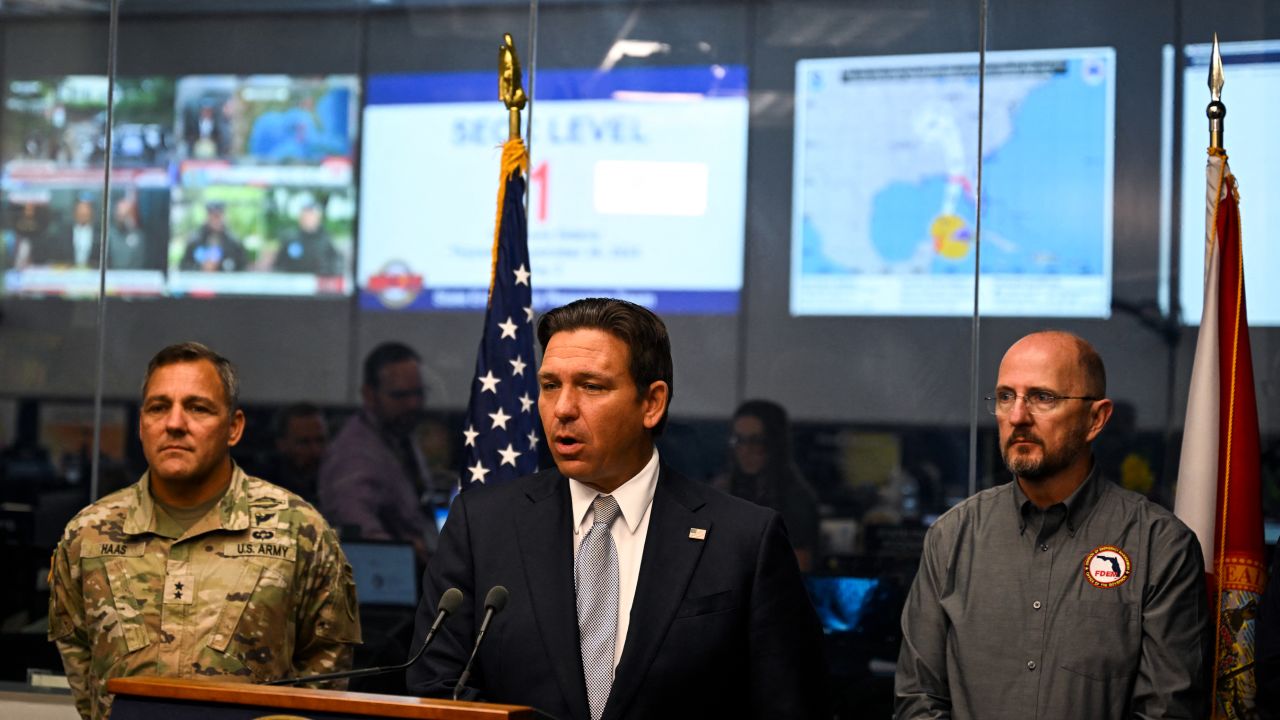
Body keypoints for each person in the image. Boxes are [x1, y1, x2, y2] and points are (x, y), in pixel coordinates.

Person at [408, 298, 828, 719]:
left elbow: (792, 705)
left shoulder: (744, 539)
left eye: (591, 386)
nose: (563, 409)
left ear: (652, 404)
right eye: (550, 385)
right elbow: (437, 686)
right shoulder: (481, 526)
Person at [895, 331, 1208, 719]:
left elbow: (1167, 711)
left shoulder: (1159, 546)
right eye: (1006, 396)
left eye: (1043, 398)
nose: (1017, 417)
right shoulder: (952, 536)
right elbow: (918, 700)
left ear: (1096, 419)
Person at [47, 342, 361, 720]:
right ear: (142, 425)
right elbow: (82, 665)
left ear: (233, 428)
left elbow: (327, 666)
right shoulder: (89, 534)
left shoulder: (299, 531)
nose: (175, 423)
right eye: (159, 407)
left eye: (198, 408)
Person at [318, 342, 440, 565]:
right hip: (387, 585)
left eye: (418, 393)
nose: (413, 404)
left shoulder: (397, 432)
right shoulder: (353, 455)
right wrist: (407, 551)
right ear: (369, 395)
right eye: (400, 395)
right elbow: (361, 535)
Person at [713, 399, 820, 572]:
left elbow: (799, 566)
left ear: (774, 444)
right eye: (739, 440)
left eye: (755, 441)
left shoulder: (794, 498)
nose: (745, 450)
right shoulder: (725, 490)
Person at [266, 402, 329, 503]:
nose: (315, 450)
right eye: (304, 442)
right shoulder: (264, 490)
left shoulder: (339, 482)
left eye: (320, 440)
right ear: (282, 444)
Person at [271, 198, 342, 275]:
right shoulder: (290, 239)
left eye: (312, 215)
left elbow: (336, 265)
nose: (308, 218)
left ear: (318, 218)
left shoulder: (326, 241)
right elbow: (279, 266)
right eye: (306, 215)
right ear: (300, 217)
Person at [179, 201, 246, 272]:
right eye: (213, 216)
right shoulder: (194, 241)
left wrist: (220, 267)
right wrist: (200, 267)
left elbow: (242, 267)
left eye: (218, 216)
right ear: (207, 216)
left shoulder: (234, 243)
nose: (215, 220)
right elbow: (183, 266)